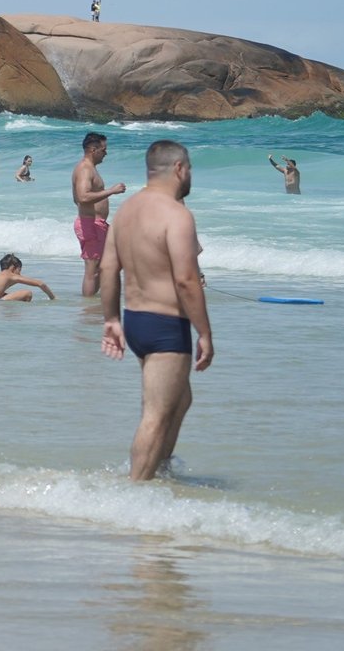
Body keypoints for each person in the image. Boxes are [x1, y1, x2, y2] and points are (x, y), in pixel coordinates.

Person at [100, 140, 214, 481]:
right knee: (156, 413)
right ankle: (136, 491)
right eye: (189, 168)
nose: (190, 174)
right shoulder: (177, 215)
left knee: (179, 400)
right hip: (166, 325)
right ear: (179, 168)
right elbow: (186, 280)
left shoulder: (126, 211)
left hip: (136, 320)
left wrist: (112, 320)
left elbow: (108, 268)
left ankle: (160, 469)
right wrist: (205, 333)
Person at [73, 132, 127, 297]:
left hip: (96, 224)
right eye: (103, 150)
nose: (106, 153)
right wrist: (111, 191)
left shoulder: (89, 169)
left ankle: (97, 300)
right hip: (91, 224)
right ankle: (89, 308)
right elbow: (82, 197)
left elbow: (77, 199)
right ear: (93, 149)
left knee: (112, 261)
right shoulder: (85, 169)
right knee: (93, 270)